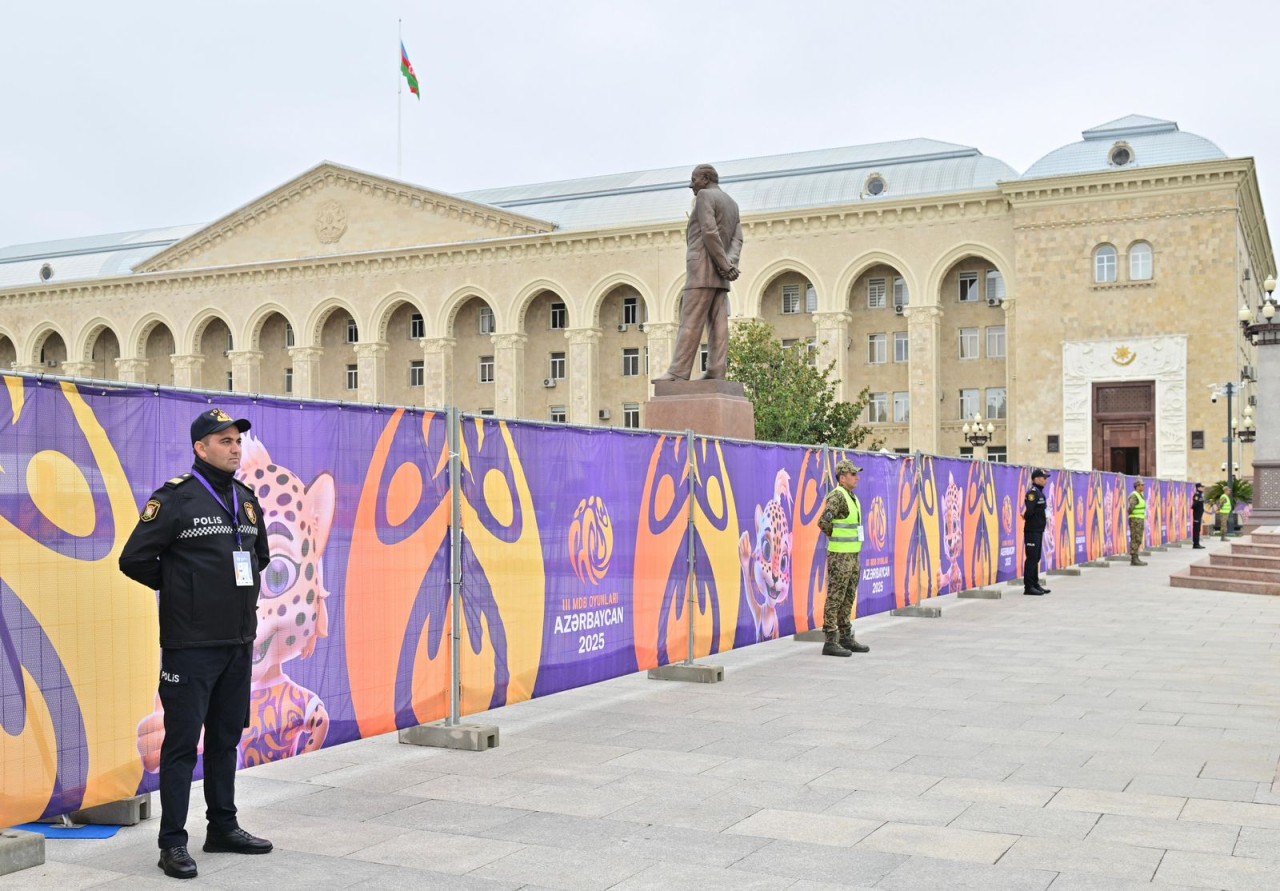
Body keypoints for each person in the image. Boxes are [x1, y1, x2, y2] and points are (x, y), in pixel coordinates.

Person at [119, 408, 274, 880]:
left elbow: (259, 557)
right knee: (182, 745)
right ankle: (172, 843)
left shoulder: (247, 501)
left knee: (227, 738)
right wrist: (185, 591)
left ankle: (223, 827)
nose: (234, 447)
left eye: (236, 440)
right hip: (191, 645)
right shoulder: (177, 499)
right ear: (200, 448)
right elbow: (135, 558)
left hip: (238, 641)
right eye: (223, 440)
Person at [652, 164, 744, 382]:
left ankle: (677, 372)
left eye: (694, 179)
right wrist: (729, 265)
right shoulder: (732, 203)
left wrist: (723, 264)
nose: (691, 185)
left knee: (691, 320)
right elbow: (737, 239)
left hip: (702, 269)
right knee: (718, 322)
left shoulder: (704, 196)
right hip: (721, 275)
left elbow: (709, 232)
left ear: (705, 178)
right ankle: (716, 370)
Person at [816, 459, 870, 656]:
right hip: (840, 556)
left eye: (856, 474)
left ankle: (845, 637)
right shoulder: (838, 496)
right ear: (843, 477)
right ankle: (830, 640)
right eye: (853, 474)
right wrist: (833, 537)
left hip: (852, 555)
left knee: (848, 597)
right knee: (835, 597)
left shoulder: (851, 497)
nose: (857, 477)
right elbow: (823, 522)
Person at [1022, 468, 1052, 596]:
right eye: (1044, 478)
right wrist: (1026, 517)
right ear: (1037, 479)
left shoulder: (1040, 493)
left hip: (1038, 530)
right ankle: (1028, 587)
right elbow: (1030, 511)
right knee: (1032, 558)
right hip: (1032, 530)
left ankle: (1035, 584)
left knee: (1037, 558)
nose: (1046, 480)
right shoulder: (1032, 493)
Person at [1127, 479, 1148, 566]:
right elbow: (1131, 508)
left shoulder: (1140, 495)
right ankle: (1134, 558)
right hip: (1135, 520)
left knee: (1138, 539)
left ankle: (1136, 557)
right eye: (1142, 485)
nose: (1143, 486)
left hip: (1140, 519)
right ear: (1137, 486)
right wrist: (1134, 517)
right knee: (1135, 538)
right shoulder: (1134, 495)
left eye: (1143, 485)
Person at [1191, 482, 1206, 548]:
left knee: (1198, 529)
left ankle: (1197, 543)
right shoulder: (1197, 495)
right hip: (1197, 515)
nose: (1203, 488)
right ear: (1198, 488)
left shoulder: (1201, 495)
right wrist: (1197, 513)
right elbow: (1194, 505)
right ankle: (1195, 544)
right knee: (1196, 529)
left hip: (1199, 515)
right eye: (1201, 487)